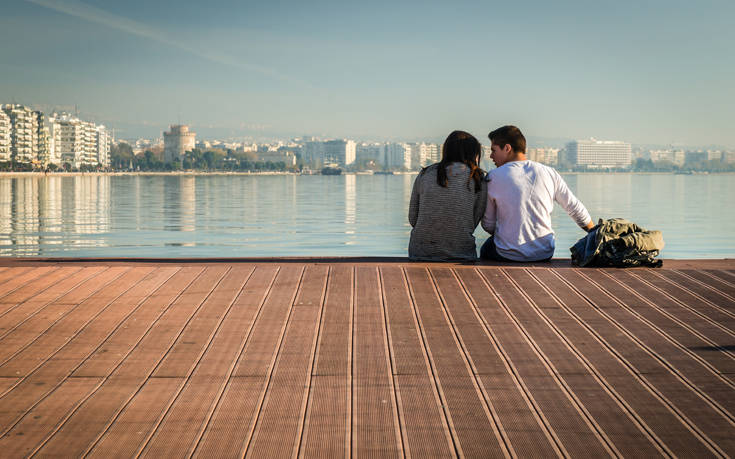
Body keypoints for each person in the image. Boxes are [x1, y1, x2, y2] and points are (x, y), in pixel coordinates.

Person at [481, 125, 594, 262]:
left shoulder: (493, 176)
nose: (491, 156)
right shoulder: (549, 172)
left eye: (493, 150)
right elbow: (575, 208)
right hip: (544, 253)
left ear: (507, 148)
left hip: (508, 255)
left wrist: (509, 234)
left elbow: (488, 224)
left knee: (486, 248)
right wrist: (594, 233)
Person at [408, 130, 487, 261]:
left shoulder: (425, 174)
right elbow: (474, 220)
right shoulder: (478, 178)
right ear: (473, 153)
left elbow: (413, 218)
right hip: (461, 253)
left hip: (421, 253)